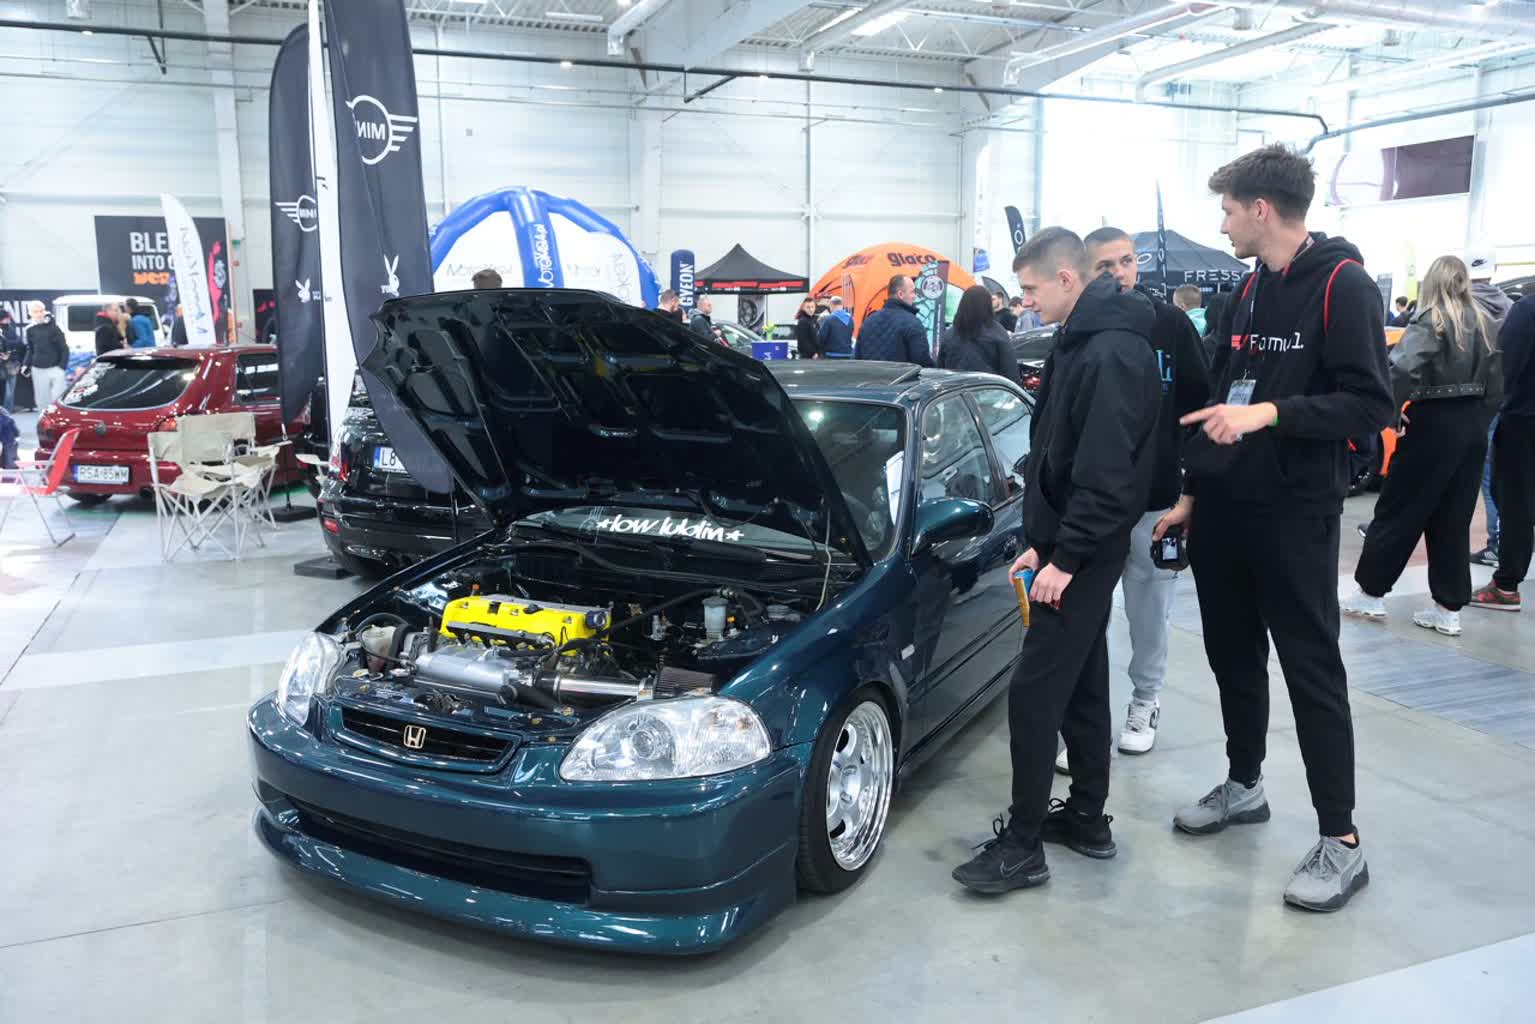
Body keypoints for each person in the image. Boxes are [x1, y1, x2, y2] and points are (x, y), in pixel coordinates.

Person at [1172, 144, 1391, 913]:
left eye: (1228, 210)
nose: (1221, 224)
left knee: (1309, 669)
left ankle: (1341, 840)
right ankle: (1244, 784)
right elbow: (1222, 397)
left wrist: (1270, 414)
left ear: (1260, 209)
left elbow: (1370, 404)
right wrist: (1192, 491)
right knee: (1232, 655)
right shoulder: (1246, 289)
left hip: (1295, 514)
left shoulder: (1342, 284)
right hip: (1223, 508)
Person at [950, 228, 1161, 895]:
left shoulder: (1110, 350)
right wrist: (1045, 539)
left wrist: (1065, 557)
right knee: (1082, 683)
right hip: (1070, 544)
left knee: (1034, 694)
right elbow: (1057, 452)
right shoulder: (1081, 339)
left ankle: (1022, 846)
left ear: (1067, 278)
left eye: (1031, 289)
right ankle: (1087, 818)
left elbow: (1106, 471)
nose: (1025, 302)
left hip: (1083, 552)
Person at [1048, 226, 1209, 760]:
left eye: (1127, 261)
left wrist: (1189, 490)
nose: (1119, 273)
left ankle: (1146, 699)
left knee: (1148, 612)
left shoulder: (1171, 324)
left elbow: (1200, 406)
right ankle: (1083, 725)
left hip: (1155, 501)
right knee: (1084, 619)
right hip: (1092, 504)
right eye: (1105, 265)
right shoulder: (1078, 331)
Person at [1341, 256, 1501, 636]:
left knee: (1399, 509)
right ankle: (1448, 609)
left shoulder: (1432, 320)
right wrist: (1477, 421)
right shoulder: (1485, 322)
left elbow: (1400, 368)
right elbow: (1498, 384)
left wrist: (1391, 413)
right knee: (1454, 518)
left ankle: (1371, 594)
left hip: (1432, 423)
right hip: (1472, 427)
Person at [1470, 293, 1534, 612]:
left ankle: (1506, 587)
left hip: (1525, 422)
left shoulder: (1528, 309)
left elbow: (1502, 367)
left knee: (1516, 504)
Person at [1466, 252, 1513, 569]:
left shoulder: (1462, 308)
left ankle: (1497, 544)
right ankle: (1504, 541)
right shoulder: (1510, 306)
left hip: (1469, 401)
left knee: (1475, 475)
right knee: (1497, 475)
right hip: (1504, 400)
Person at [938, 285, 1015, 379]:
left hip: (955, 386)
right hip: (988, 386)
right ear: (987, 305)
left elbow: (940, 370)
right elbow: (1010, 370)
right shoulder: (998, 332)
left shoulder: (949, 335)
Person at [853, 275, 931, 366]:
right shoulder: (913, 323)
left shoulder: (868, 322)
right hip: (902, 375)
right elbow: (922, 361)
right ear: (900, 294)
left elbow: (857, 358)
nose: (914, 296)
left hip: (870, 374)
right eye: (912, 292)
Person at [23, 301, 71, 411]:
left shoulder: (55, 327)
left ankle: (59, 420)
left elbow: (64, 348)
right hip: (38, 369)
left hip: (56, 368)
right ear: (30, 313)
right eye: (36, 312)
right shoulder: (29, 329)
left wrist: (61, 367)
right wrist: (26, 364)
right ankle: (44, 421)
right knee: (42, 401)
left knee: (58, 399)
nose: (39, 314)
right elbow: (30, 349)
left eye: (41, 311)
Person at [1, 309, 24, 413]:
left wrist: (9, 344)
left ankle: (8, 410)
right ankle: (5, 411)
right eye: (6, 318)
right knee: (6, 390)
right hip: (2, 364)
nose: (9, 319)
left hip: (12, 363)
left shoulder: (10, 328)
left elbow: (19, 342)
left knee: (11, 389)